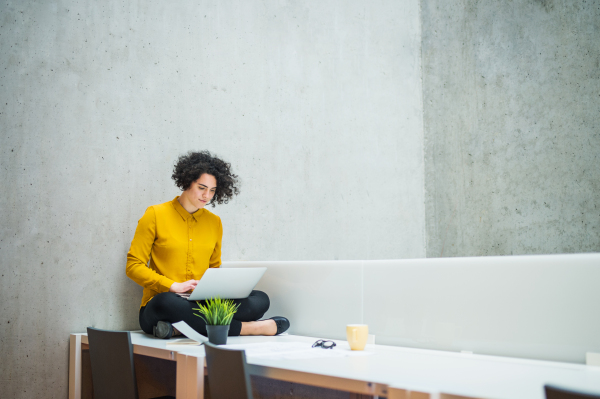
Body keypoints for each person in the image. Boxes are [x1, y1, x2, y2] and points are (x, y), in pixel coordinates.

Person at [126, 151, 289, 339]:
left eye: (212, 190)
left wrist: (218, 288)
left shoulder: (215, 222)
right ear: (187, 181)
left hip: (201, 303)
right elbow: (133, 266)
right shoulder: (155, 214)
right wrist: (172, 286)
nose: (207, 195)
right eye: (202, 187)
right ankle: (251, 328)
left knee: (260, 300)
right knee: (165, 303)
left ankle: (179, 329)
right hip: (166, 302)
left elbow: (214, 269)